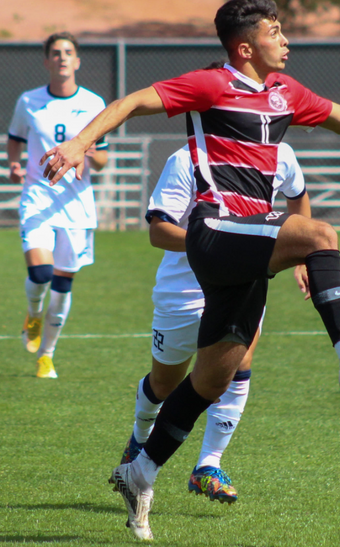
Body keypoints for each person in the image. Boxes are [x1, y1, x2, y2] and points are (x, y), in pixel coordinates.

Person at [40, 0, 340, 541]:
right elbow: (130, 102)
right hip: (214, 232)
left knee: (212, 379)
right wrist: (80, 142)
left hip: (246, 248)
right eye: (275, 30)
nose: (285, 39)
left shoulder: (285, 92)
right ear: (245, 48)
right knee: (321, 233)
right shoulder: (211, 83)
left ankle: (140, 471)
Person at [116, 141, 310, 505]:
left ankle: (208, 465)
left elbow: (298, 196)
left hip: (243, 285)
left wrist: (301, 254)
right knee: (164, 384)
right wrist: (217, 245)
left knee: (238, 366)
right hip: (182, 292)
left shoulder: (280, 152)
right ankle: (139, 438)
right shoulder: (185, 158)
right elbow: (158, 231)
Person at [7, 31, 109, 379]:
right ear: (47, 61)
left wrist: (92, 157)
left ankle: (46, 356)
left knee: (64, 284)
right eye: (55, 52)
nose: (62, 58)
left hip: (76, 204)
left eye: (68, 52)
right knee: (41, 274)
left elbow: (104, 158)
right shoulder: (29, 101)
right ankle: (33, 313)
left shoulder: (95, 104)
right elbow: (15, 139)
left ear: (77, 61)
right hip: (38, 195)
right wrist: (14, 163)